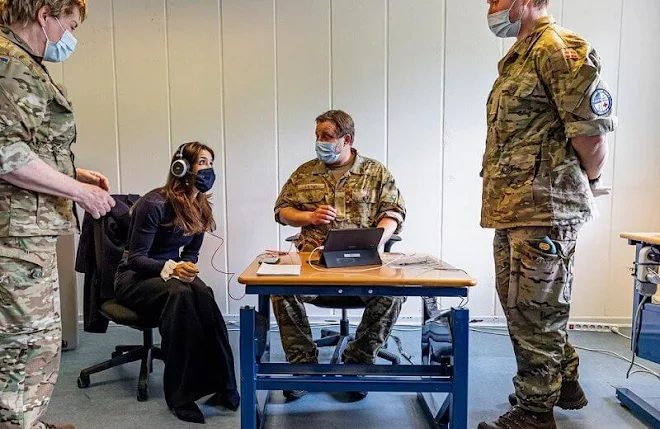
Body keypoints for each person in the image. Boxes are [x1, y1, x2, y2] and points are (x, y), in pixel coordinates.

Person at [479, 1, 617, 428]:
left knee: (537, 312)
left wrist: (586, 184)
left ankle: (535, 413)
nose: (491, 7)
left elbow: (590, 136)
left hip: (545, 208)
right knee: (525, 310)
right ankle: (565, 381)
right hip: (514, 208)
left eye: (496, 0)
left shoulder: (560, 50)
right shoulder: (519, 56)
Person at [0, 1, 116, 428]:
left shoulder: (19, 61)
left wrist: (72, 171)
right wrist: (77, 190)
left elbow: (24, 145)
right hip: (13, 237)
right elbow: (5, 155)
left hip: (22, 231)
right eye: (69, 25)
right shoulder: (9, 65)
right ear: (45, 14)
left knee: (28, 339)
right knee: (26, 342)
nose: (71, 37)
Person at [273, 109, 406, 400]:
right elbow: (281, 212)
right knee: (279, 291)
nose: (320, 141)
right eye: (318, 136)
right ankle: (303, 365)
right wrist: (308, 217)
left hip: (364, 267)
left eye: (327, 136)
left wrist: (380, 239)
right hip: (313, 265)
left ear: (346, 139)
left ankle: (358, 360)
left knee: (395, 293)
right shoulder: (305, 172)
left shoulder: (376, 172)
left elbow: (394, 213)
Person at [114, 142, 239, 424]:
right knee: (180, 295)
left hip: (170, 274)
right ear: (181, 167)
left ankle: (224, 384)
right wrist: (171, 267)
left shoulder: (201, 205)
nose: (208, 169)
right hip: (134, 278)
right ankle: (181, 395)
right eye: (202, 163)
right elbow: (136, 259)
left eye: (210, 163)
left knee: (204, 293)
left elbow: (191, 252)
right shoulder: (154, 203)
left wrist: (189, 266)